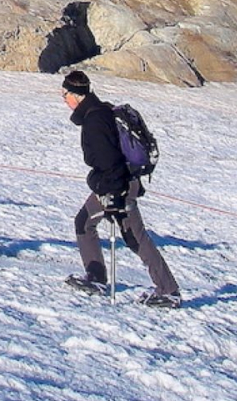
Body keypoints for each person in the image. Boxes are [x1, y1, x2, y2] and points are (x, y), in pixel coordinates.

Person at [61, 70, 181, 308]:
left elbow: (109, 161)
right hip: (114, 184)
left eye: (65, 95)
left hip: (118, 186)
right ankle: (96, 277)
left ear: (76, 95)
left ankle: (169, 291)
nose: (64, 99)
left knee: (134, 237)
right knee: (85, 222)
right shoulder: (100, 111)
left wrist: (113, 196)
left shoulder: (95, 121)